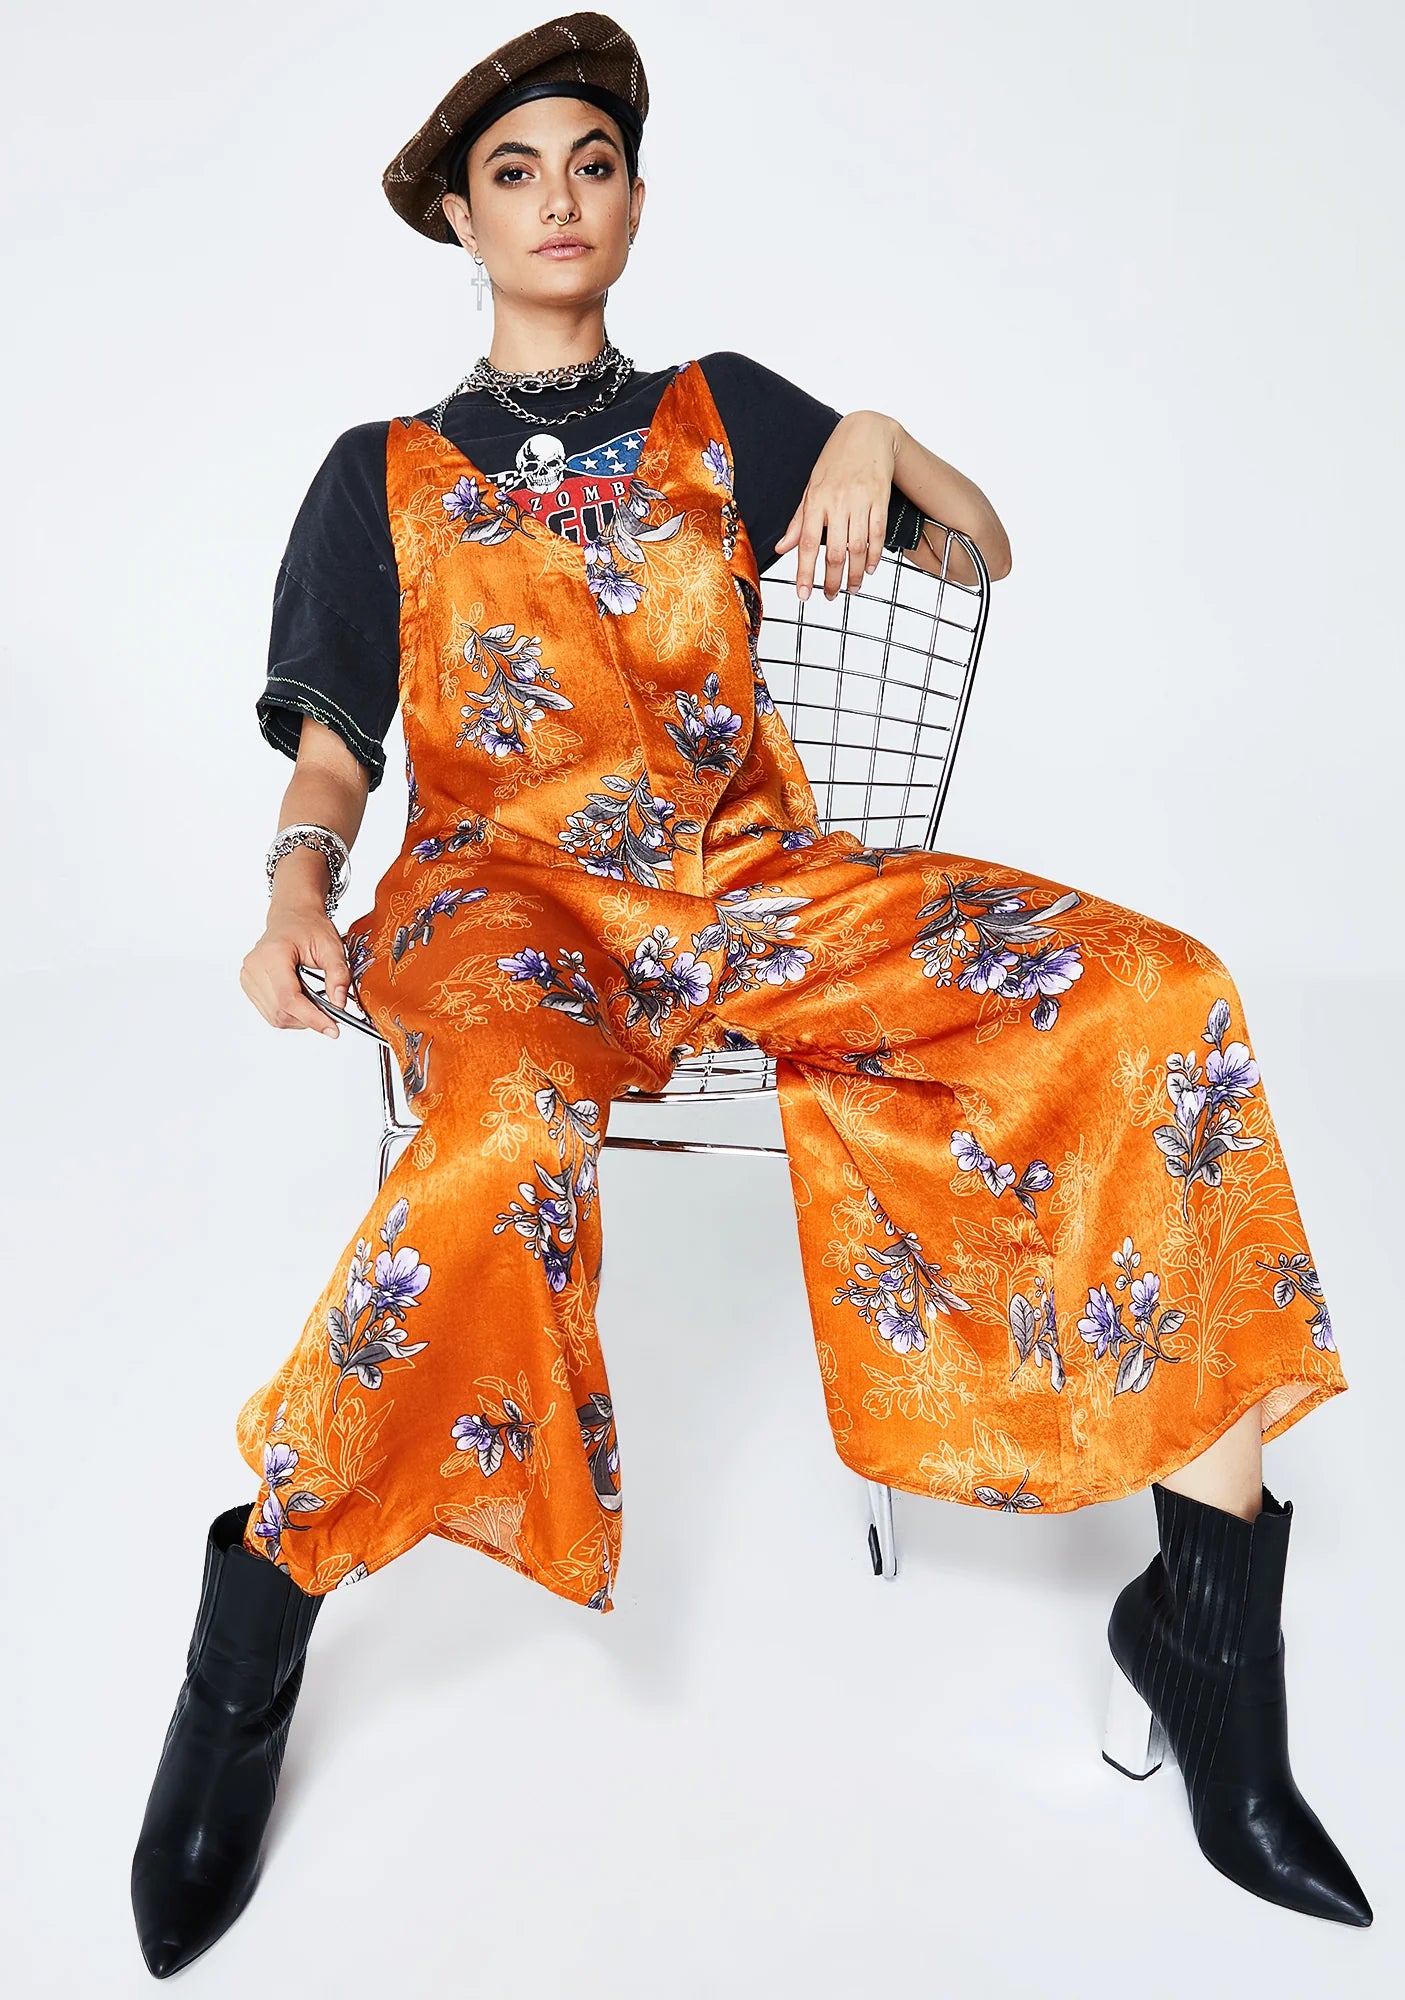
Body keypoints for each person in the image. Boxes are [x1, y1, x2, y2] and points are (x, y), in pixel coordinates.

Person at [129, 11, 1372, 1979]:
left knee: (1159, 996)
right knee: (498, 1139)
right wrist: (294, 887)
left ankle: (1211, 1650)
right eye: (515, 172)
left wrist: (878, 434)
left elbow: (978, 543)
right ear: (459, 217)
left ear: (634, 202)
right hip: (504, 909)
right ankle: (252, 1633)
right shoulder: (374, 477)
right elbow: (336, 749)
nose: (558, 200)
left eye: (592, 165)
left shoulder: (724, 407)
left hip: (749, 894)